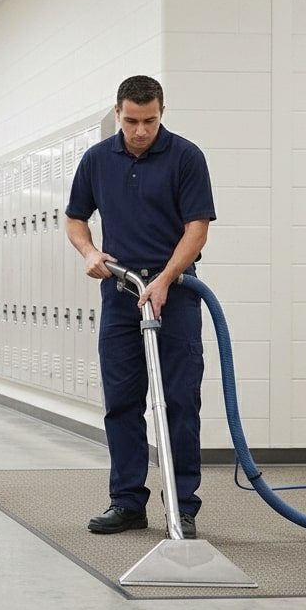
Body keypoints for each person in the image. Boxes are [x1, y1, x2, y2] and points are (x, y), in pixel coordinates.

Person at [64, 75, 215, 539]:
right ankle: (127, 502)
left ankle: (182, 505)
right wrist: (90, 252)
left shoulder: (186, 157)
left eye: (149, 121)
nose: (140, 130)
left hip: (178, 293)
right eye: (131, 120)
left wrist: (167, 279)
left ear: (161, 113)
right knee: (123, 402)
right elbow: (74, 218)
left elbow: (197, 228)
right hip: (120, 293)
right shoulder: (97, 160)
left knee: (179, 401)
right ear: (117, 113)